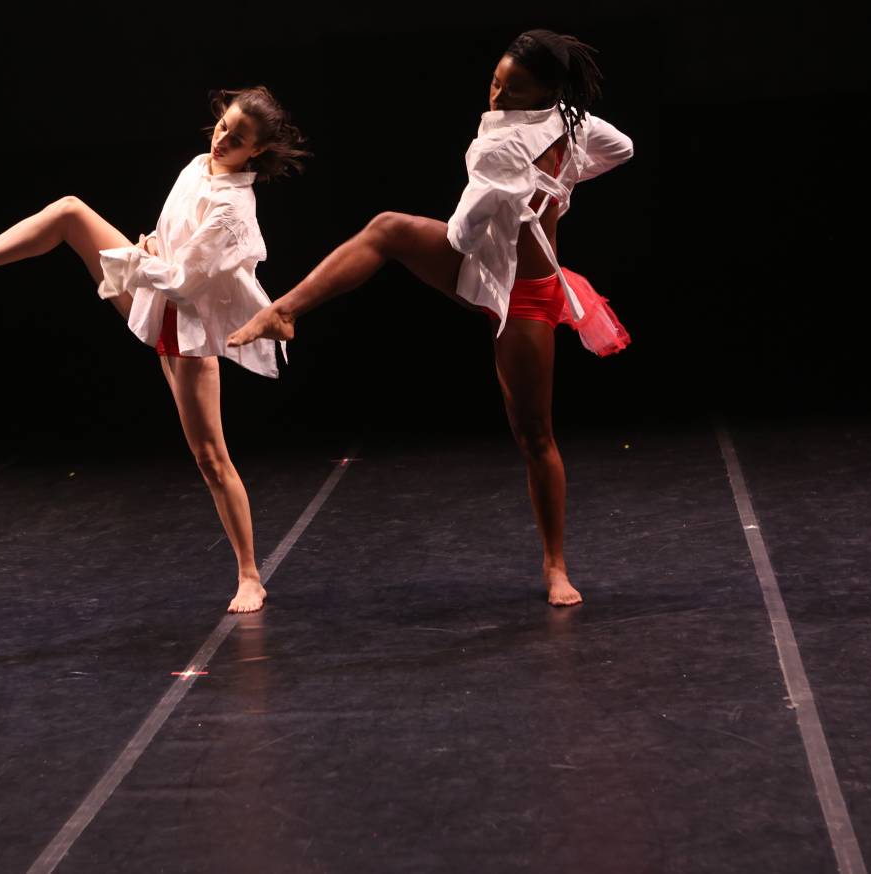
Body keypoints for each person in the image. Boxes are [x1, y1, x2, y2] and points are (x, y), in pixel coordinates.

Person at [228, 32, 633, 606]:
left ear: (546, 92)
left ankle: (556, 566)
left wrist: (528, 190)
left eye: (512, 89)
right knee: (388, 227)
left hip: (522, 294)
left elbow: (462, 235)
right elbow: (623, 148)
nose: (496, 95)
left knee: (534, 434)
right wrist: (552, 186)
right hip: (502, 274)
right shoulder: (567, 125)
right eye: (496, 80)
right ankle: (284, 310)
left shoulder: (507, 146)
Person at [0, 86, 308, 613]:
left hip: (187, 331)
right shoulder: (197, 166)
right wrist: (152, 248)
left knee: (211, 459)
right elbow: (172, 241)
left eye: (238, 138)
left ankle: (250, 575)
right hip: (150, 296)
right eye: (223, 126)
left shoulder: (235, 211)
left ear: (257, 150)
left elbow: (185, 283)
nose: (222, 139)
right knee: (70, 212)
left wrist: (147, 258)